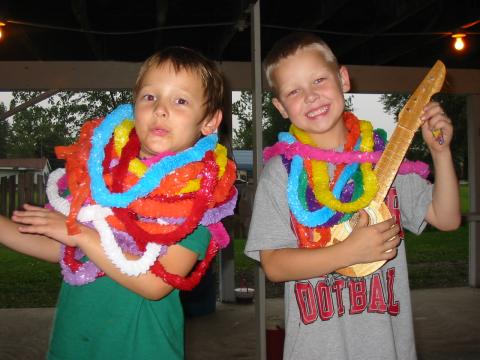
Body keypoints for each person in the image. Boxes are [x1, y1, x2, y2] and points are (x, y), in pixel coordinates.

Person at [0, 46, 237, 359]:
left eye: (180, 100)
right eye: (150, 97)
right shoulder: (100, 180)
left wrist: (80, 234)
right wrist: (70, 234)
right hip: (73, 346)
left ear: (209, 121)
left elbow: (156, 285)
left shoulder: (200, 200)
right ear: (134, 105)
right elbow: (65, 248)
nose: (160, 109)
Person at [245, 32, 460, 359]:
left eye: (319, 80)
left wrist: (440, 153)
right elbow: (274, 265)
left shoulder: (384, 157)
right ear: (280, 107)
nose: (311, 96)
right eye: (294, 91)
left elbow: (446, 218)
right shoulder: (281, 173)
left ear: (343, 79)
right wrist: (349, 252)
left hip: (388, 348)